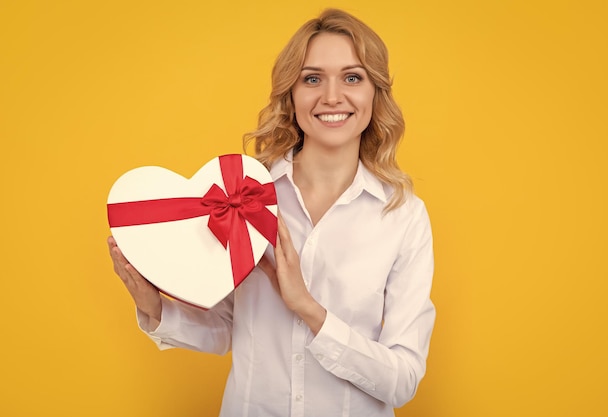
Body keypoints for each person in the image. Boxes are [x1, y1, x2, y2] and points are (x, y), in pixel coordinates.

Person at [108, 8, 435, 417]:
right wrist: (153, 306)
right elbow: (229, 327)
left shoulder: (402, 217)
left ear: (375, 93)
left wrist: (308, 308)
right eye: (312, 78)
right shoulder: (243, 196)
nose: (332, 96)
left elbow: (402, 379)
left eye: (352, 77)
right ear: (291, 94)